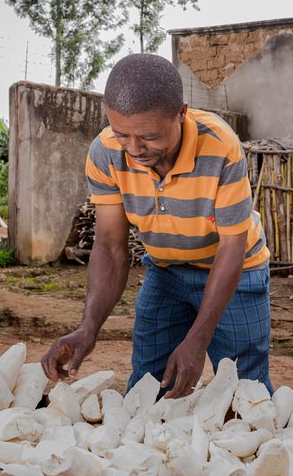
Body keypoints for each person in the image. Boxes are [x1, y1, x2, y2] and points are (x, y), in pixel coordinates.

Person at [41, 53, 272, 399]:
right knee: (149, 387)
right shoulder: (105, 152)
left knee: (244, 391)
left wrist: (197, 339)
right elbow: (109, 246)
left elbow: (232, 246)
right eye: (122, 134)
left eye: (148, 136)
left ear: (181, 113)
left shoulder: (220, 146)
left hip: (234, 271)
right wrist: (88, 328)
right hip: (165, 271)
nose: (134, 149)